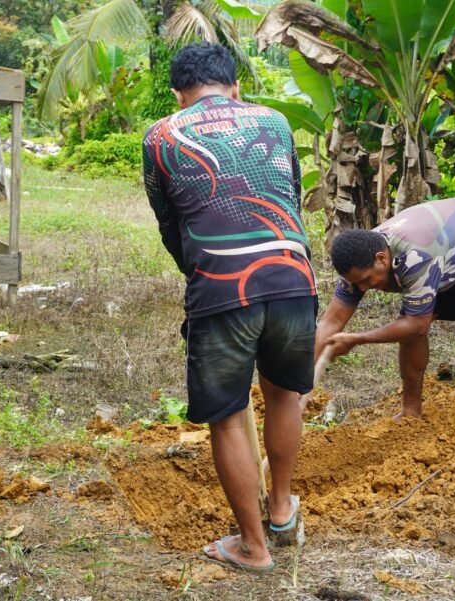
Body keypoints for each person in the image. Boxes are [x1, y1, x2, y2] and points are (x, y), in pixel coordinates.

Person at [143, 42, 315, 572]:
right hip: (293, 277)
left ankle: (252, 548)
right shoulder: (275, 121)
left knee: (227, 416)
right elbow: (292, 196)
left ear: (179, 94)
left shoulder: (161, 135)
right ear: (235, 86)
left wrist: (198, 274)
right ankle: (281, 511)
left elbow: (170, 224)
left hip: (221, 287)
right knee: (284, 394)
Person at [313, 197, 455, 463]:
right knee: (408, 324)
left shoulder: (415, 254)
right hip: (444, 256)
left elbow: (416, 325)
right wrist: (302, 376)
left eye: (367, 280)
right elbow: (330, 323)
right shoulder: (358, 265)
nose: (363, 288)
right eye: (358, 283)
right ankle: (411, 411)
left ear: (382, 258)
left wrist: (357, 339)